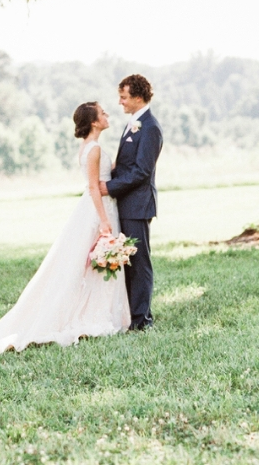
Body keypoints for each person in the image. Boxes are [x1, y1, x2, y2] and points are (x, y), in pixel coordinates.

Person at [0, 99, 130, 354]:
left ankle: (95, 312)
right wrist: (104, 221)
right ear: (95, 122)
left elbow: (104, 175)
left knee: (89, 264)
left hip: (95, 207)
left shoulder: (88, 147)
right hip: (99, 209)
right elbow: (94, 186)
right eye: (103, 113)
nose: (107, 115)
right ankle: (93, 315)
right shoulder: (94, 148)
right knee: (92, 262)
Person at [101, 73, 162, 330]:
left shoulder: (150, 127)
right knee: (127, 263)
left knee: (139, 264)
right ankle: (130, 316)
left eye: (124, 97)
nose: (120, 102)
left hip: (137, 205)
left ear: (138, 97)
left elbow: (141, 172)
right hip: (125, 204)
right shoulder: (133, 123)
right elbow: (126, 164)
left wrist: (108, 187)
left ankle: (142, 320)